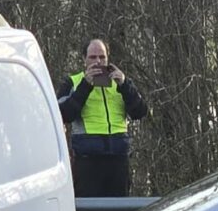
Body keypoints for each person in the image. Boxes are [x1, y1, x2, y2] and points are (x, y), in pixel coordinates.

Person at [60, 37, 151, 199]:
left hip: (118, 160)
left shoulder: (120, 82)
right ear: (84, 59)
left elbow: (140, 111)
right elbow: (64, 114)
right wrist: (85, 86)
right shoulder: (73, 82)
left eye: (102, 57)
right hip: (88, 161)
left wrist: (124, 85)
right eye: (93, 57)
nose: (98, 62)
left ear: (108, 58)